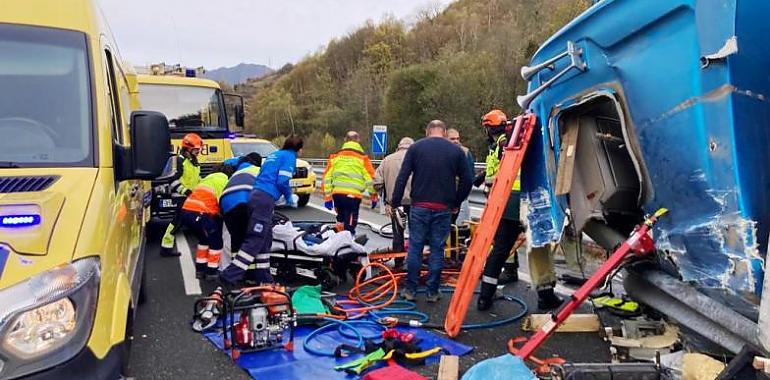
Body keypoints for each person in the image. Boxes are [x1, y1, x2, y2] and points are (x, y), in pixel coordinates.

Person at [475, 110, 561, 311]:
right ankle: (546, 296)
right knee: (538, 248)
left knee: (500, 249)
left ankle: (485, 296)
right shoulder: (513, 140)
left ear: (489, 128)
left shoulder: (504, 143)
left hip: (509, 202)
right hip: (529, 200)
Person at [391, 120, 472, 303]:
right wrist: (456, 201)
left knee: (415, 247)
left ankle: (411, 290)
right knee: (437, 249)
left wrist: (395, 202)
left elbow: (402, 177)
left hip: (419, 206)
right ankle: (432, 291)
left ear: (427, 132)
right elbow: (467, 180)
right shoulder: (456, 151)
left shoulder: (416, 148)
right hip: (443, 207)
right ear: (444, 133)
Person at [220, 136, 303, 285]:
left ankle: (263, 276)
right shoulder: (289, 156)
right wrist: (290, 197)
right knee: (256, 238)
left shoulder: (274, 155)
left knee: (265, 238)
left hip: (256, 196)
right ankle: (231, 274)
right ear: (299, 149)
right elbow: (283, 180)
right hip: (264, 198)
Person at [178, 165, 235, 279]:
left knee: (204, 241)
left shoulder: (207, 179)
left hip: (187, 212)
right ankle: (211, 271)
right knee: (216, 243)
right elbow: (222, 201)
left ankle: (200, 269)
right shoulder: (223, 180)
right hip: (202, 214)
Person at [322, 131, 378, 234]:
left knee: (340, 219)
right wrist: (373, 196)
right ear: (358, 140)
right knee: (350, 223)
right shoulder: (363, 158)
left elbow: (327, 178)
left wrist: (328, 197)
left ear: (345, 140)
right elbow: (371, 179)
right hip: (353, 197)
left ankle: (337, 242)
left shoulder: (335, 157)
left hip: (337, 195)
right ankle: (348, 242)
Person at [160, 133, 203, 257]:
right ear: (187, 148)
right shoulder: (180, 161)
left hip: (192, 197)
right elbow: (172, 180)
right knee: (178, 222)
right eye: (195, 150)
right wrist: (186, 191)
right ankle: (166, 247)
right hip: (182, 197)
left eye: (198, 150)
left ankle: (166, 247)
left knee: (187, 221)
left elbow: (195, 179)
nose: (197, 152)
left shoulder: (193, 162)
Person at [373, 137, 414, 253]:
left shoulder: (387, 160)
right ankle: (414, 262)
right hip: (415, 203)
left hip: (395, 203)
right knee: (416, 234)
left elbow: (377, 182)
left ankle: (398, 262)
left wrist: (384, 196)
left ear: (398, 147)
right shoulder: (419, 159)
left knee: (398, 234)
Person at [220, 152, 262, 253]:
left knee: (236, 239)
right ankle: (249, 265)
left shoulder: (238, 169)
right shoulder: (259, 171)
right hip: (243, 202)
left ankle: (236, 265)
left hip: (225, 201)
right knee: (250, 239)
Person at [447, 128, 475, 225]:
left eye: (457, 138)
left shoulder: (466, 152)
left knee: (460, 228)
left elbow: (470, 177)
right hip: (445, 199)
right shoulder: (442, 153)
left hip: (461, 198)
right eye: (452, 139)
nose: (456, 141)